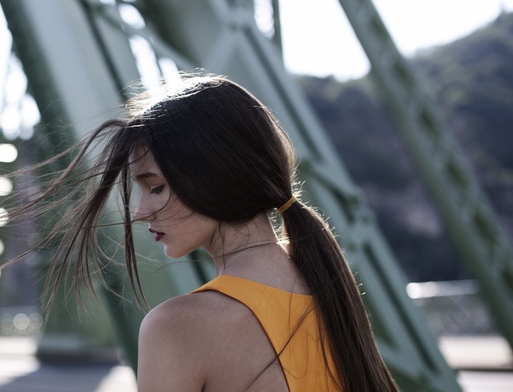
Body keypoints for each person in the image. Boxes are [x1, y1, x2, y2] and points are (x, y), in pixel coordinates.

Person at [24, 73, 399, 391]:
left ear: (215, 177)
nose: (139, 212)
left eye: (155, 187)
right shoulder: (328, 290)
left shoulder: (177, 327)